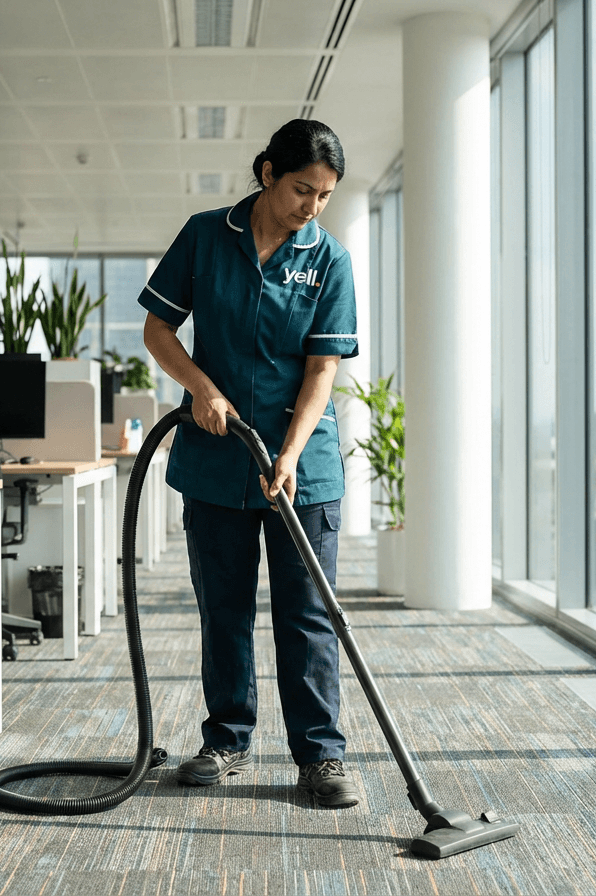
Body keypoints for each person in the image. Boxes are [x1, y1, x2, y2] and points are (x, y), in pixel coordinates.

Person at [138, 119, 360, 808]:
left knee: (307, 614)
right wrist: (201, 389)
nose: (311, 207)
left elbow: (323, 368)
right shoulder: (206, 235)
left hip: (304, 466)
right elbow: (158, 328)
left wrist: (289, 454)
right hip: (216, 456)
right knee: (224, 609)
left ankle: (320, 756)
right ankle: (228, 738)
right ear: (267, 172)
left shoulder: (329, 259)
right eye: (302, 189)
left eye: (324, 196)